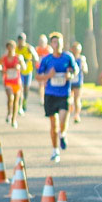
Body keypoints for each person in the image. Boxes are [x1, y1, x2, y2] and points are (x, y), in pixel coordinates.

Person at [35, 32, 77, 163]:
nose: (57, 44)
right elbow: (38, 76)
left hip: (64, 94)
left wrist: (69, 75)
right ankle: (55, 150)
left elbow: (75, 70)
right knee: (53, 124)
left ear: (62, 44)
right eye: (54, 42)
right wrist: (48, 76)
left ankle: (63, 134)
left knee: (63, 121)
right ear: (51, 44)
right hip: (50, 94)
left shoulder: (68, 57)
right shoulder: (47, 59)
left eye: (59, 42)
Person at [0, 40, 26, 127]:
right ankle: (9, 113)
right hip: (8, 81)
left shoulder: (18, 57)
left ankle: (14, 119)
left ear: (14, 48)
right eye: (8, 48)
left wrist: (19, 67)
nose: (10, 50)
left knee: (16, 101)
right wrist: (2, 69)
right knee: (10, 98)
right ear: (7, 48)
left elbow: (24, 67)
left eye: (12, 48)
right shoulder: (4, 58)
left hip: (16, 81)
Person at [16, 33, 38, 116]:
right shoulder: (15, 49)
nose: (21, 41)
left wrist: (33, 59)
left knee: (26, 89)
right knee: (20, 89)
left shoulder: (28, 48)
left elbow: (36, 57)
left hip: (28, 71)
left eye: (23, 39)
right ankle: (20, 106)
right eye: (20, 39)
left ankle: (25, 101)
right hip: (19, 72)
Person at [68, 41, 88, 123]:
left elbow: (86, 70)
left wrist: (83, 67)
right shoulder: (69, 58)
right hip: (69, 81)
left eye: (78, 49)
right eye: (75, 49)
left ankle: (77, 115)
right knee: (68, 99)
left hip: (78, 81)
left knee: (77, 99)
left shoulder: (82, 59)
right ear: (71, 49)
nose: (76, 51)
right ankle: (68, 113)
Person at [34, 34, 51, 104]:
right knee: (41, 84)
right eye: (41, 41)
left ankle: (47, 96)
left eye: (43, 42)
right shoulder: (37, 49)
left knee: (46, 84)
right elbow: (34, 59)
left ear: (46, 42)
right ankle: (41, 98)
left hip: (47, 69)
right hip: (40, 69)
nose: (42, 43)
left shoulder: (49, 49)